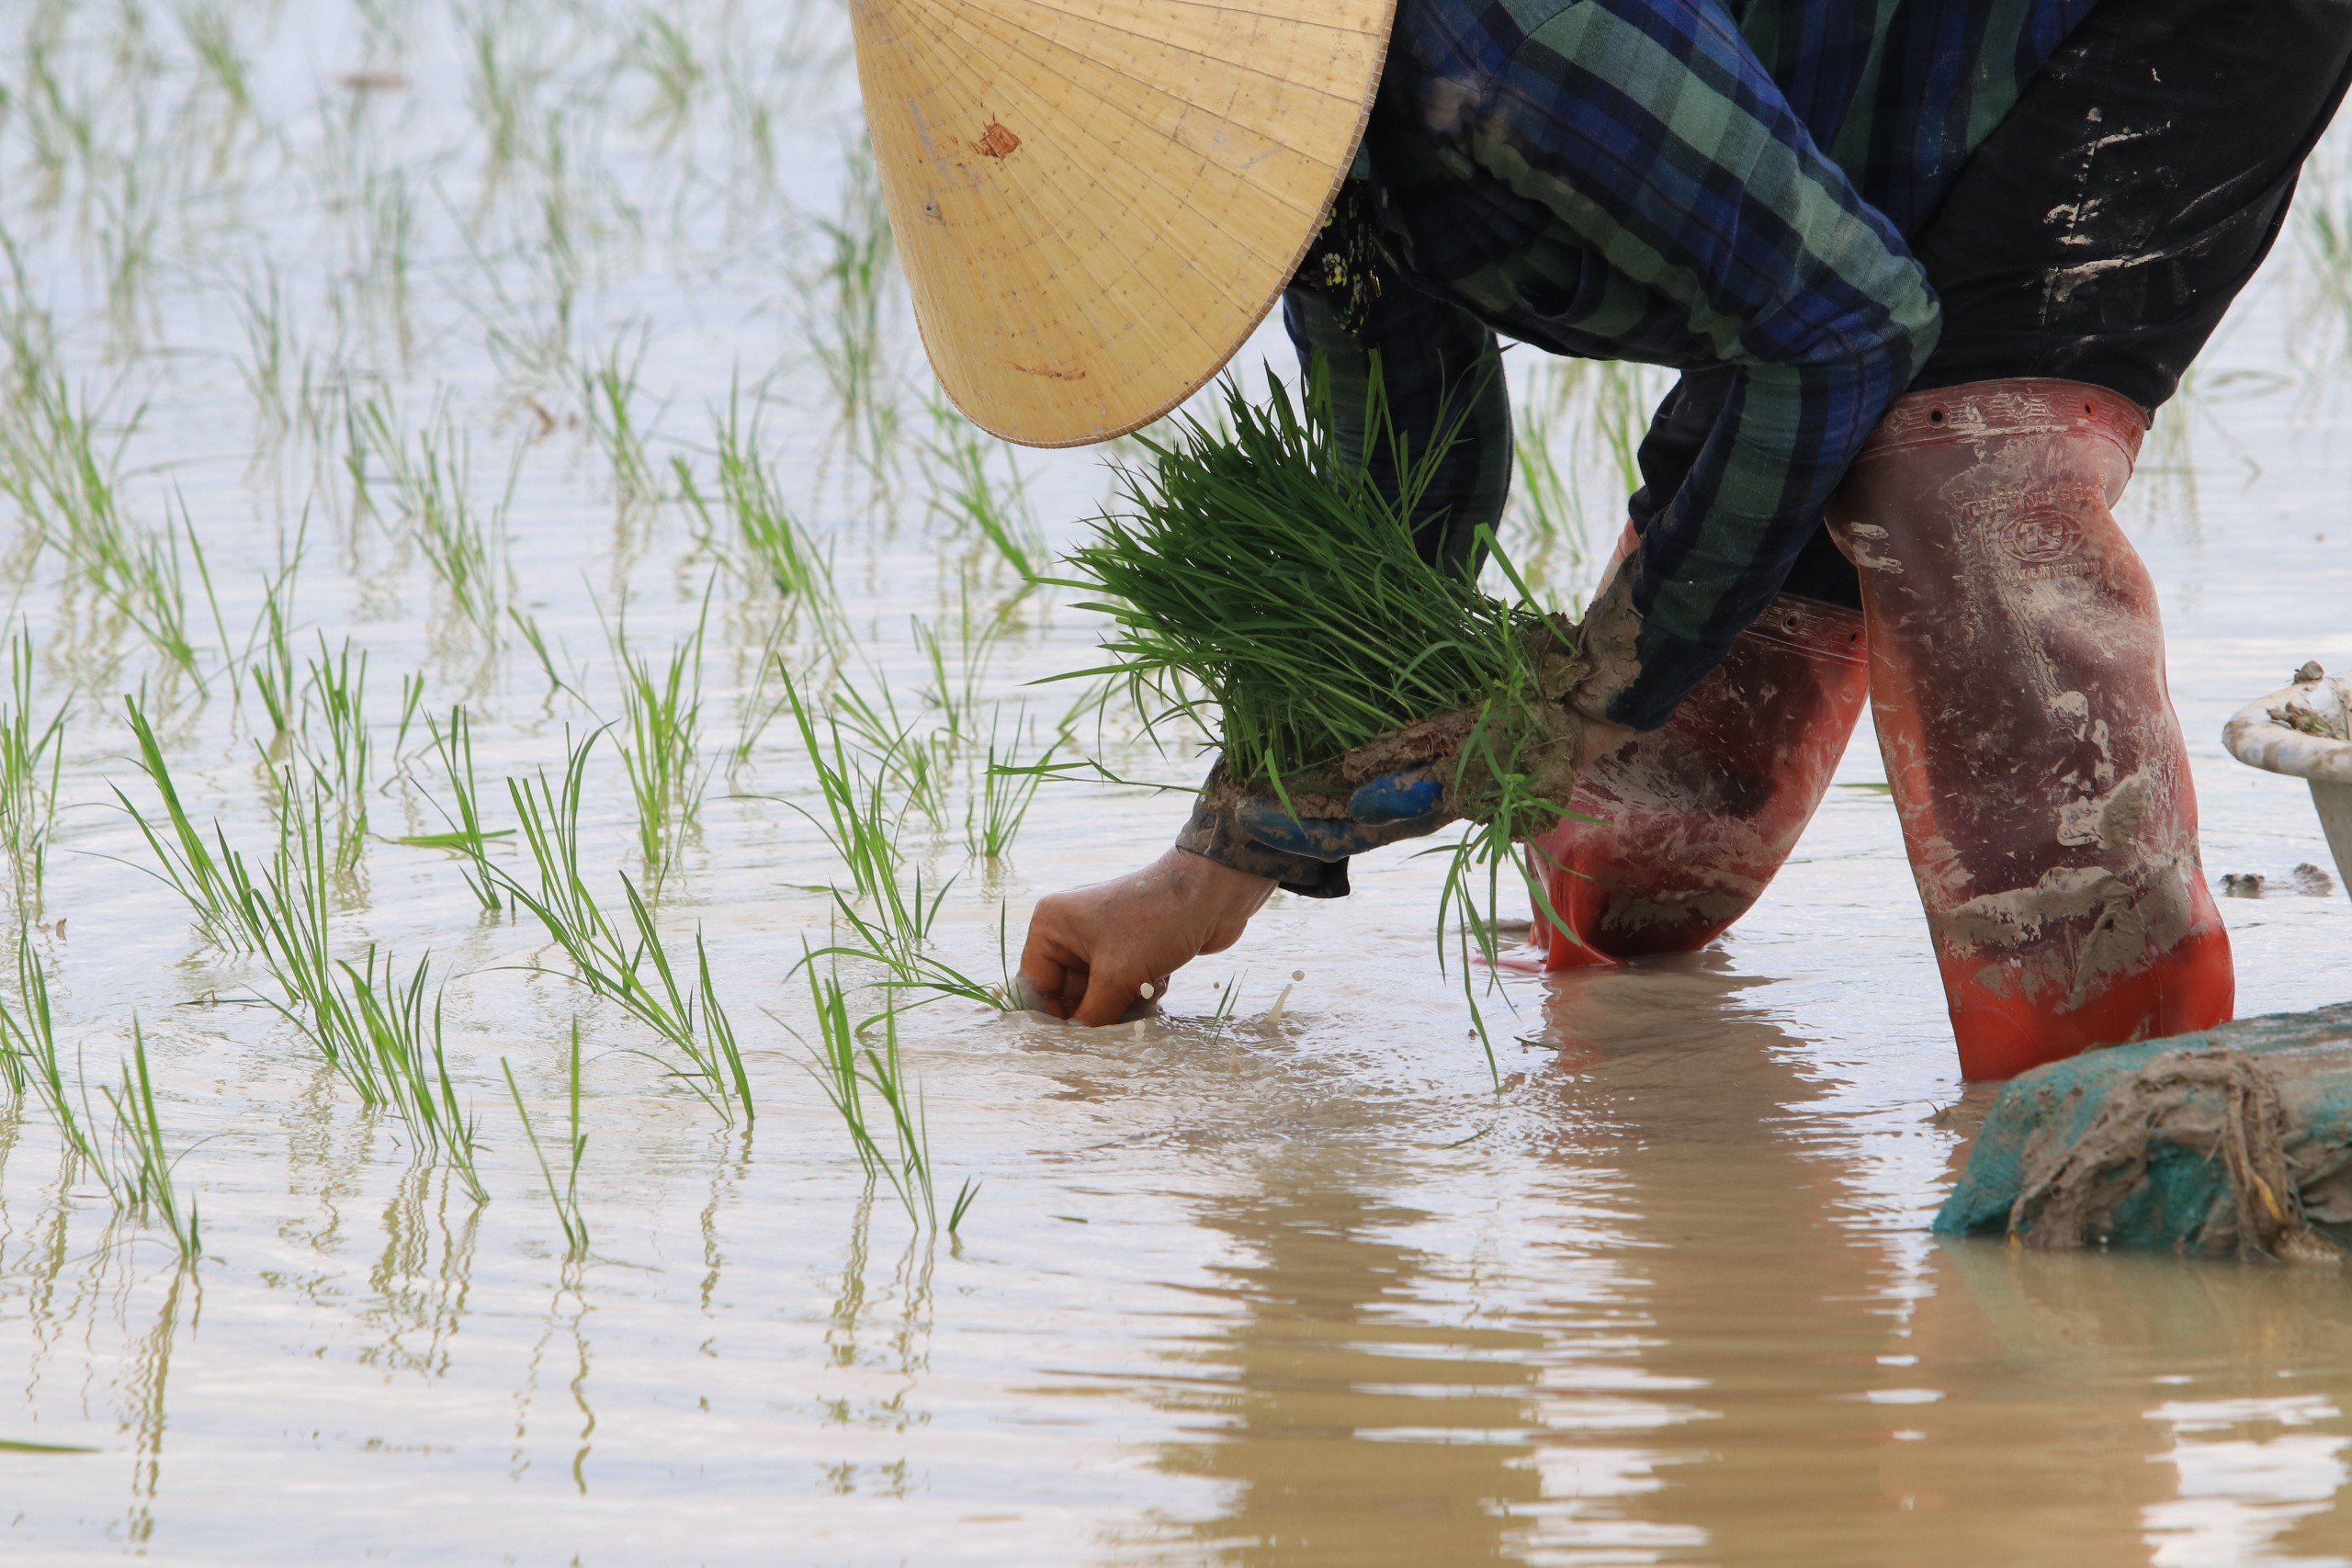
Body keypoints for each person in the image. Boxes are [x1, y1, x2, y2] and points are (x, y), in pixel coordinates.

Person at [854, 0, 2352, 1077]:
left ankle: (2119, 1094)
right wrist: (1213, 872)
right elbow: (1404, 499)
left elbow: (1844, 333)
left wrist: (1596, 685)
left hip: (2143, 32)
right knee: (1632, 829)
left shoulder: (1503, 42)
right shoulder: (1313, 166)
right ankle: (1649, 1058)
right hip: (1882, 126)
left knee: (1951, 473)